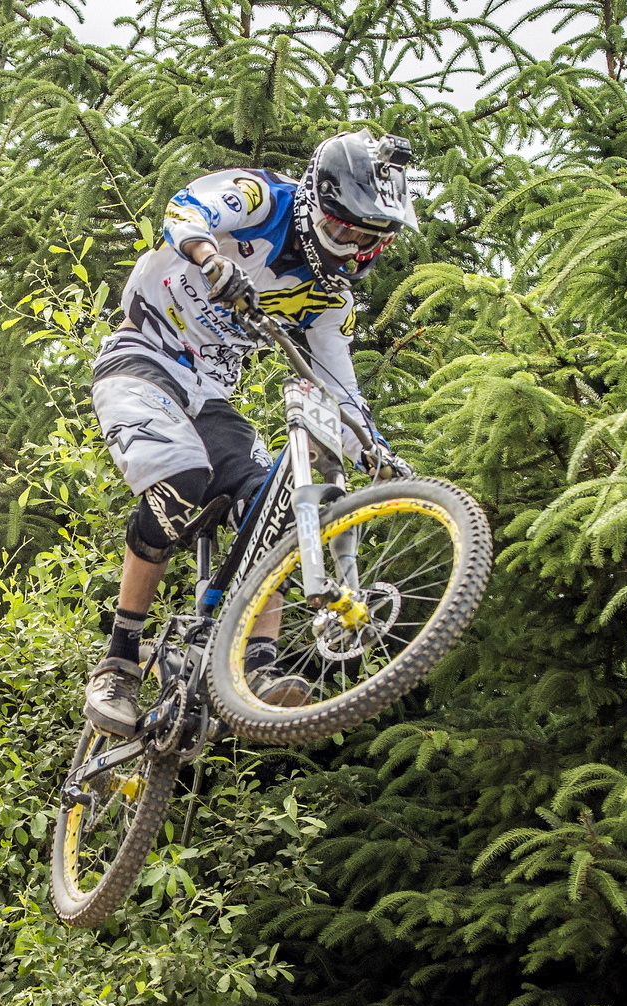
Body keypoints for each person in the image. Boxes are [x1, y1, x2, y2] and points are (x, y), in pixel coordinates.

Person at [83, 128, 418, 737]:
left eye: (370, 239)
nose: (352, 246)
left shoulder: (329, 295)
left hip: (211, 392)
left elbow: (336, 380)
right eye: (345, 228)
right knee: (181, 481)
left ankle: (257, 668)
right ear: (318, 201)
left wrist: (374, 448)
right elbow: (185, 209)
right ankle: (120, 661)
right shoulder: (262, 199)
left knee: (276, 507)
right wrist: (211, 258)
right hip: (144, 355)